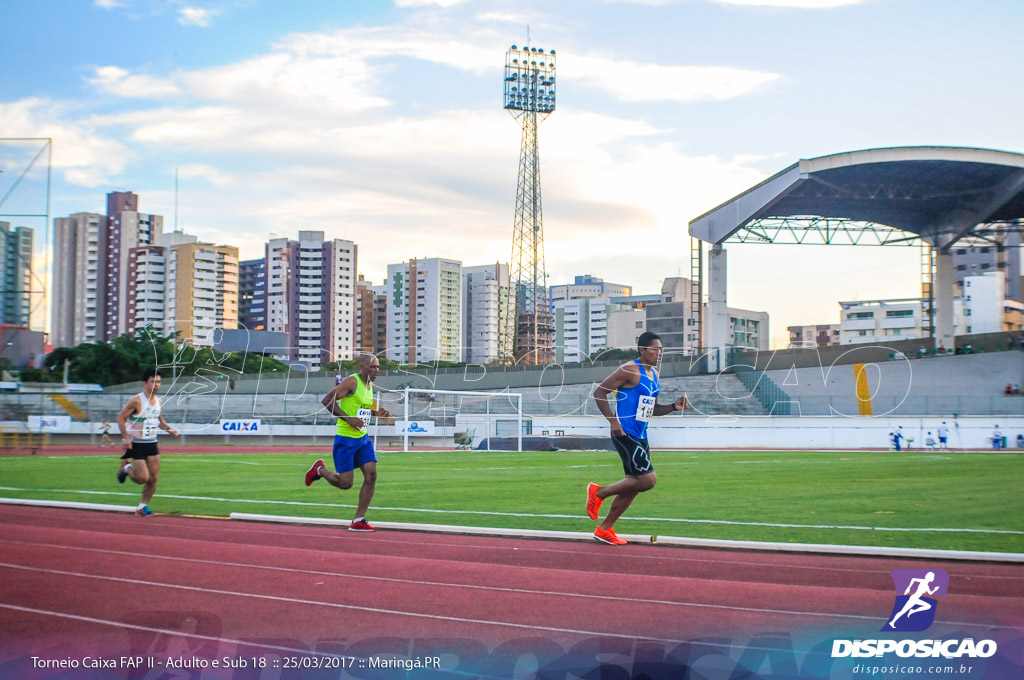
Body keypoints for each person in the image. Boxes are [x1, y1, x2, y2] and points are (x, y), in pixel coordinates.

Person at [587, 331, 689, 546]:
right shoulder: (629, 370)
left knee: (633, 485)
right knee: (647, 480)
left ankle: (604, 529)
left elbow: (651, 410)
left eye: (661, 350)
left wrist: (673, 407)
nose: (659, 353)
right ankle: (599, 492)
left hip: (641, 434)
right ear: (642, 350)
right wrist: (613, 422)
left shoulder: (655, 375)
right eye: (655, 349)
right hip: (625, 432)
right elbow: (599, 392)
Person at [305, 354, 391, 532]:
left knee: (371, 475)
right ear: (362, 366)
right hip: (346, 439)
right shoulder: (351, 382)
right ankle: (319, 470)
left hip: (362, 438)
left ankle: (359, 520)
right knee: (345, 484)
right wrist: (347, 418)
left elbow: (365, 408)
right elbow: (327, 400)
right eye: (372, 367)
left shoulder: (370, 386)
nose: (376, 370)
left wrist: (379, 413)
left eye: (378, 367)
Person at [115, 368, 179, 516]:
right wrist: (125, 438)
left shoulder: (159, 401)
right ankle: (126, 468)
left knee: (154, 478)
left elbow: (159, 421)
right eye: (153, 382)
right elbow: (120, 418)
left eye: (159, 382)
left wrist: (169, 429)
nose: (156, 385)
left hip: (152, 443)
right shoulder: (137, 400)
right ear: (145, 383)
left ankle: (142, 507)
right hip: (137, 443)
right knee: (142, 478)